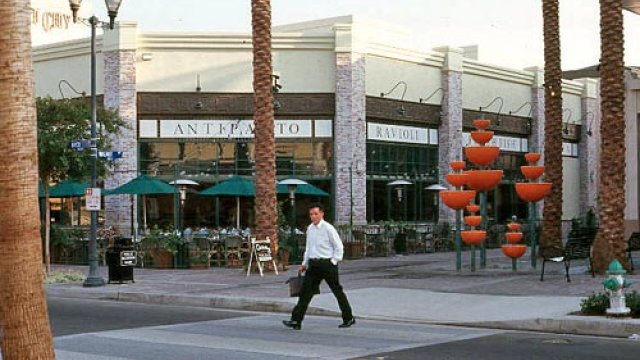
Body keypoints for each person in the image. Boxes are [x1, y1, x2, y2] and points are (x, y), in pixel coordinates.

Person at [282, 204, 355, 330]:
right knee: (305, 293)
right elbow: (309, 248)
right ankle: (296, 320)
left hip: (327, 264)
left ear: (322, 214)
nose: (313, 216)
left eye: (315, 214)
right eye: (311, 214)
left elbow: (339, 247)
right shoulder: (310, 229)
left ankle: (348, 317)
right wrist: (305, 264)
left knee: (337, 291)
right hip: (314, 265)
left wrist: (333, 261)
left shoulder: (328, 228)